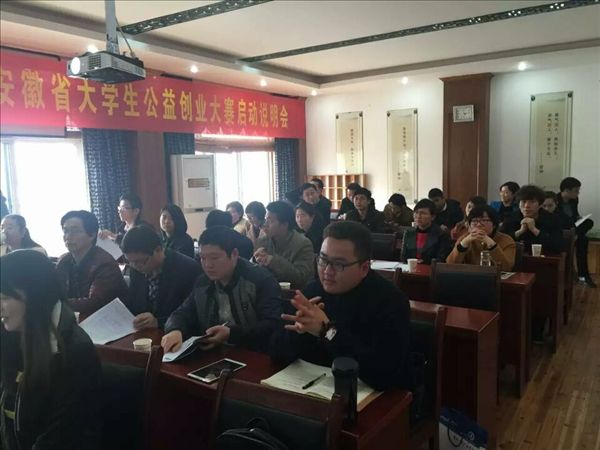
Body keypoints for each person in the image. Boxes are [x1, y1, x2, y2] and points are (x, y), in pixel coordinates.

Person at [270, 221, 412, 391]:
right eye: (323, 260)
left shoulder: (390, 301)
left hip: (366, 395)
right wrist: (299, 332)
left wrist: (327, 331)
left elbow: (386, 373)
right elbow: (276, 352)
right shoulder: (311, 292)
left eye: (339, 264)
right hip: (309, 390)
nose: (327, 271)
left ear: (364, 268)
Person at [1, 250, 101, 450]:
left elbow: (59, 438)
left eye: (4, 298)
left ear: (34, 297)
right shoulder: (10, 333)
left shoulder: (75, 353)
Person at [161, 226, 282, 354]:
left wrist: (231, 333)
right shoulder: (203, 283)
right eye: (203, 258)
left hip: (256, 355)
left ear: (234, 254)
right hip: (216, 353)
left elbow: (272, 325)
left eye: (214, 257)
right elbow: (180, 314)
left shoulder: (260, 280)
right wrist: (175, 330)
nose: (208, 265)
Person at [121, 225, 201, 330]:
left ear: (158, 250)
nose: (135, 266)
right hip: (143, 332)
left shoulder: (187, 269)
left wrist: (158, 322)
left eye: (141, 262)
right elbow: (133, 303)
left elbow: (192, 315)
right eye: (130, 262)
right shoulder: (135, 268)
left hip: (173, 334)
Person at [56, 210, 128, 315]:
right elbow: (56, 292)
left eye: (76, 231)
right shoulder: (64, 261)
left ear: (92, 235)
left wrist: (57, 303)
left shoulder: (104, 263)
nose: (68, 236)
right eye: (66, 231)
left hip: (108, 319)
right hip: (77, 318)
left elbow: (94, 303)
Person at [254, 201, 314, 289]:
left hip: (292, 293)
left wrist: (273, 261)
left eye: (270, 221)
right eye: (266, 219)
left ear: (284, 224)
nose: (265, 224)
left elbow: (301, 278)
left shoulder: (303, 244)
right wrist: (255, 260)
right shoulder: (263, 241)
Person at [447, 205, 516, 271]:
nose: (479, 224)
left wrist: (491, 244)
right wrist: (463, 244)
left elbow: (506, 267)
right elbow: (450, 265)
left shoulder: (506, 240)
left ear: (494, 224)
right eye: (474, 221)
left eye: (484, 220)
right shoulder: (464, 238)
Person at [500, 185, 564, 255]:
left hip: (543, 259)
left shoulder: (552, 219)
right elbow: (500, 242)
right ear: (518, 204)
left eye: (532, 202)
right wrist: (519, 232)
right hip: (514, 259)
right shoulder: (510, 218)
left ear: (540, 205)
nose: (527, 206)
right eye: (523, 201)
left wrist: (534, 230)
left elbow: (558, 246)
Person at [557, 177, 596, 287]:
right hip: (562, 230)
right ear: (567, 190)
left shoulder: (574, 200)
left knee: (588, 225)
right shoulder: (555, 200)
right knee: (582, 239)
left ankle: (584, 276)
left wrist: (579, 218)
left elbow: (575, 214)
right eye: (576, 191)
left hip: (573, 228)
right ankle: (576, 235)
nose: (578, 193)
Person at [400, 199, 452, 264]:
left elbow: (441, 259)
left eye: (423, 213)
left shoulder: (441, 234)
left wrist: (424, 262)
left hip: (431, 268)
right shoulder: (409, 233)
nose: (418, 216)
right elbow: (403, 257)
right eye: (416, 212)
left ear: (433, 217)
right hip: (410, 268)